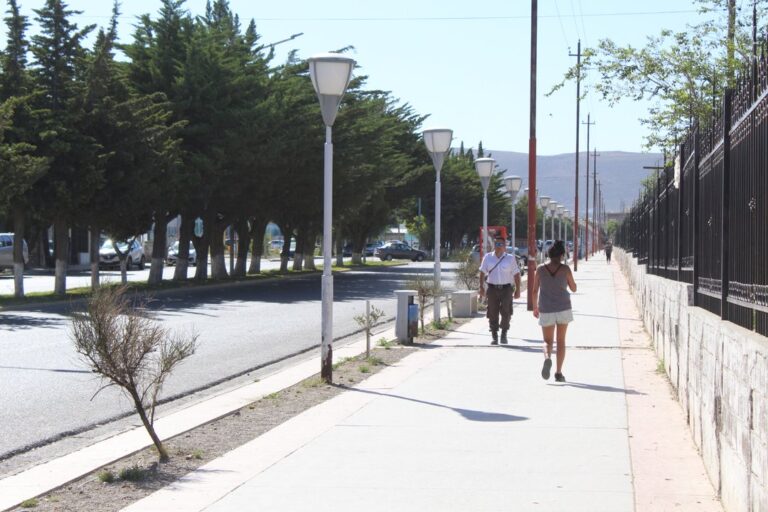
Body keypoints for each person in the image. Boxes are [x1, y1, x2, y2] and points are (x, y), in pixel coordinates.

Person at [532, 240, 577, 382]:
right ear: (562, 255)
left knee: (547, 341)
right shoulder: (565, 269)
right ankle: (558, 373)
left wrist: (535, 307)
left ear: (549, 254)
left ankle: (547, 357)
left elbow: (534, 291)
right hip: (563, 307)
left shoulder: (540, 269)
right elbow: (574, 288)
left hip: (546, 308)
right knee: (561, 341)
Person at [479, 235, 522, 345]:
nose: (498, 246)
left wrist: (517, 289)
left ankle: (504, 333)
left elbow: (516, 274)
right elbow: (482, 272)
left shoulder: (510, 258)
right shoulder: (488, 257)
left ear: (504, 246)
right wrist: (481, 288)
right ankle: (494, 335)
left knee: (506, 312)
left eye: (500, 244)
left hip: (506, 289)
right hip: (492, 289)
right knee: (492, 312)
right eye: (496, 244)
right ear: (494, 245)